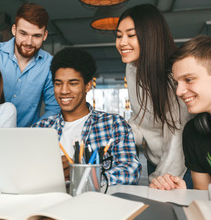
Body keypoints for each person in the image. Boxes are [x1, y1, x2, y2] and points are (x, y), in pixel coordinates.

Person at [32, 47, 141, 186]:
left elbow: (130, 171)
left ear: (88, 86)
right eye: (58, 84)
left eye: (73, 83)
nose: (64, 91)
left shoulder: (113, 124)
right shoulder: (41, 128)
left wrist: (81, 177)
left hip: (94, 203)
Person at [115, 4, 192, 186]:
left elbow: (176, 136)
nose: (122, 42)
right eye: (118, 36)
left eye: (131, 35)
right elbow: (141, 118)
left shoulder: (172, 76)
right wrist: (116, 134)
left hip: (180, 164)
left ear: (150, 36)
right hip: (154, 158)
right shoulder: (132, 67)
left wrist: (163, 178)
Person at [150, 35, 211, 190]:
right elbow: (204, 197)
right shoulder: (193, 132)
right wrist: (183, 194)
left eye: (189, 79)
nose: (179, 91)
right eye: (177, 83)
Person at [0, 3, 60, 127]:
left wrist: (33, 133)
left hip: (26, 140)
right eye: (23, 33)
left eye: (36, 36)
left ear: (45, 36)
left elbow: (54, 109)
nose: (28, 42)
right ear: (14, 30)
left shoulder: (50, 64)